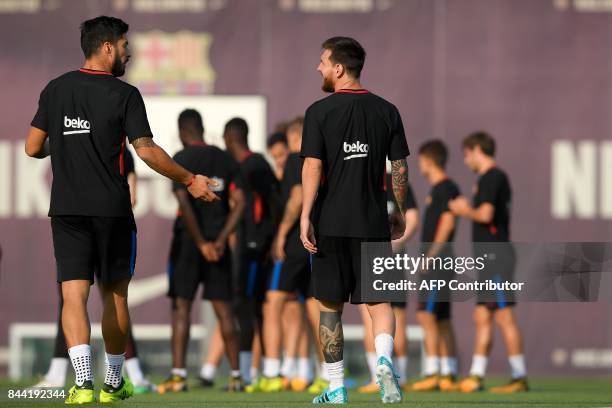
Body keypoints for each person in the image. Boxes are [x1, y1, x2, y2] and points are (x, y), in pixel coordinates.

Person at [25, 16, 218, 405]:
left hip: (67, 211)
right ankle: (113, 383)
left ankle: (82, 385)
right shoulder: (124, 94)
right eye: (126, 45)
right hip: (111, 212)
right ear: (108, 46)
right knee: (115, 298)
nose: (130, 52)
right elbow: (145, 151)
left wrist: (61, 143)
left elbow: (33, 147)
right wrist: (188, 179)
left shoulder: (56, 89)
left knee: (73, 296)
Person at [300, 36, 410, 404]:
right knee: (379, 304)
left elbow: (313, 165)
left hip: (330, 224)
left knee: (330, 307)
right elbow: (398, 166)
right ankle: (383, 361)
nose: (318, 67)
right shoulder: (387, 110)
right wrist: (398, 209)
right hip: (373, 223)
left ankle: (336, 387)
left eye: (322, 61)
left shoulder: (318, 112)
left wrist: (305, 215)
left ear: (339, 68)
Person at [32, 149, 154, 394]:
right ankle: (116, 379)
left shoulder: (73, 134)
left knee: (78, 298)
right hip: (107, 218)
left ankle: (89, 380)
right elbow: (132, 194)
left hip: (81, 219)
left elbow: (33, 147)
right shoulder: (114, 139)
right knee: (111, 299)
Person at [157, 109, 245, 394]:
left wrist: (201, 243)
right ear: (202, 129)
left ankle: (179, 376)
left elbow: (183, 201)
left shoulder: (179, 160)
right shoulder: (224, 158)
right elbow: (240, 202)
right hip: (218, 245)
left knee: (181, 307)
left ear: (183, 132)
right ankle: (235, 376)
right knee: (224, 310)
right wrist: (219, 240)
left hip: (188, 243)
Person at [449, 131, 528, 393]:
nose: (465, 160)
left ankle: (519, 377)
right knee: (481, 315)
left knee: (504, 316)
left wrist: (462, 210)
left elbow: (485, 214)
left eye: (467, 154)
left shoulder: (492, 177)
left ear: (477, 150)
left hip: (496, 257)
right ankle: (476, 375)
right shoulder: (487, 178)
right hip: (489, 258)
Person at [247, 117, 313, 393]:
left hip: (294, 244)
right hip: (312, 244)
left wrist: (283, 233)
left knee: (271, 303)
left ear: (292, 137)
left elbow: (297, 198)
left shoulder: (298, 160)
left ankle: (273, 371)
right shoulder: (315, 161)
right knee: (312, 307)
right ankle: (320, 373)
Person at [223, 117, 280, 385]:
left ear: (230, 138)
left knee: (247, 306)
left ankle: (251, 373)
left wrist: (269, 239)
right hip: (245, 245)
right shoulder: (240, 167)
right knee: (248, 307)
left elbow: (273, 203)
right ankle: (254, 372)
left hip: (254, 246)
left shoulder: (254, 165)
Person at [358, 167, 419, 393]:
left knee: (369, 316)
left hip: (370, 255)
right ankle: (399, 376)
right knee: (397, 317)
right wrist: (397, 244)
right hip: (393, 257)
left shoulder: (361, 179)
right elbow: (412, 219)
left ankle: (377, 379)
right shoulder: (398, 183)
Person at [408, 140, 459, 392]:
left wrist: (430, 256)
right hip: (440, 261)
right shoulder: (438, 189)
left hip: (437, 262)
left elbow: (448, 223)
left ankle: (433, 372)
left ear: (428, 160)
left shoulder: (445, 188)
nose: (419, 165)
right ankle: (449, 372)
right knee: (441, 319)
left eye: (420, 160)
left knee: (426, 315)